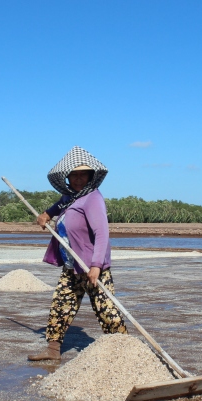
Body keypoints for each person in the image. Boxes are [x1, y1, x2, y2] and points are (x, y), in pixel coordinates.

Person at [28, 146, 128, 361]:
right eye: (74, 175)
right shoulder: (71, 197)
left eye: (83, 175)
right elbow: (58, 205)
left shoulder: (93, 198)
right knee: (60, 307)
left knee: (107, 310)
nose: (78, 179)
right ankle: (53, 351)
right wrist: (46, 214)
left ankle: (124, 354)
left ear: (91, 177)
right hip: (71, 266)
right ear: (67, 177)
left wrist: (96, 266)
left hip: (93, 267)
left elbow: (102, 234)